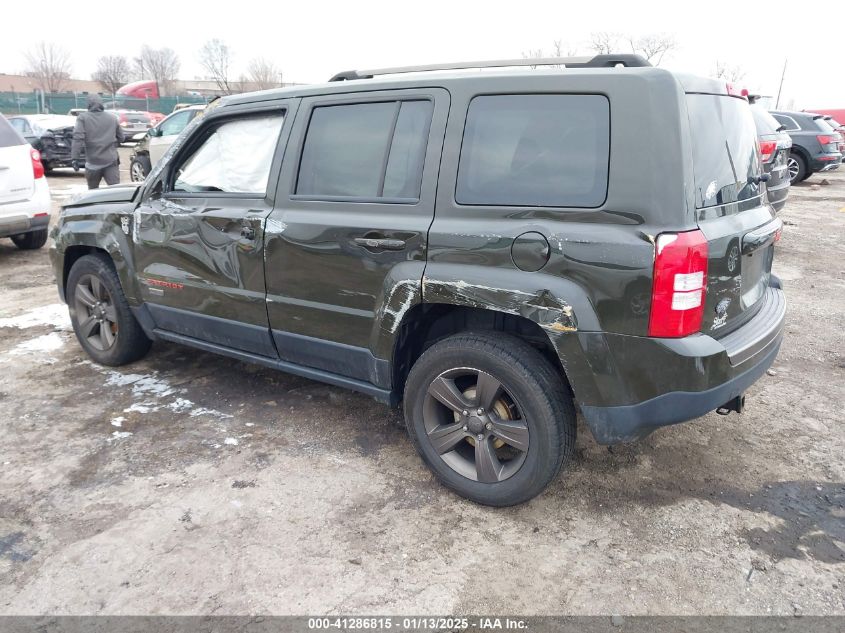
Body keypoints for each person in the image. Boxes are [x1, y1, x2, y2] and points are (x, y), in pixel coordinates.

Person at [71, 95, 125, 189]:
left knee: (93, 193)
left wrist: (75, 158)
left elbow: (78, 139)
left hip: (92, 162)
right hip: (111, 160)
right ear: (101, 104)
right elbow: (121, 138)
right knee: (116, 191)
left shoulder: (82, 118)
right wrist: (112, 144)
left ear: (88, 104)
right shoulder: (112, 118)